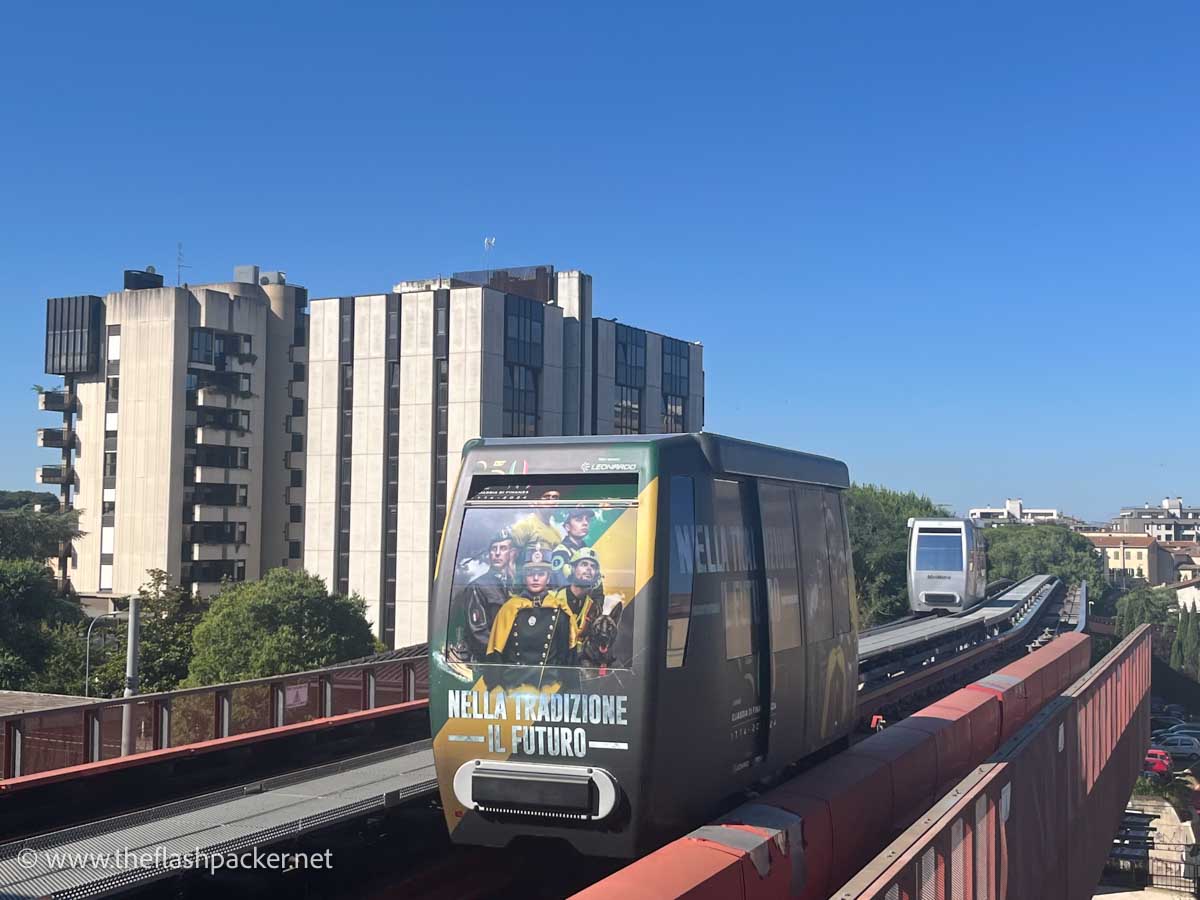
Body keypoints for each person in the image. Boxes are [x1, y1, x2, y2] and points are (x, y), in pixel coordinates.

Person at [486, 541, 577, 666]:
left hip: (549, 682)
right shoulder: (509, 609)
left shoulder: (561, 611)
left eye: (541, 574)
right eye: (530, 574)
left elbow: (566, 656)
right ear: (524, 578)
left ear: (548, 578)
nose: (535, 578)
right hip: (513, 682)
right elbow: (497, 655)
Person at [456, 528, 515, 661]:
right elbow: (478, 633)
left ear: (511, 554)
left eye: (503, 548)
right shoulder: (478, 586)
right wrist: (505, 655)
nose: (497, 553)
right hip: (490, 663)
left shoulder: (515, 585)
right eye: (494, 549)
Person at [561, 547, 605, 639]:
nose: (589, 568)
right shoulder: (553, 599)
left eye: (593, 566)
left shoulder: (594, 607)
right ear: (571, 569)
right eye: (584, 564)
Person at [551, 508, 595, 575]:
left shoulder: (586, 549)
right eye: (579, 520)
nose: (585, 523)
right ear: (567, 527)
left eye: (587, 519)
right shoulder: (561, 553)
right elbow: (559, 582)